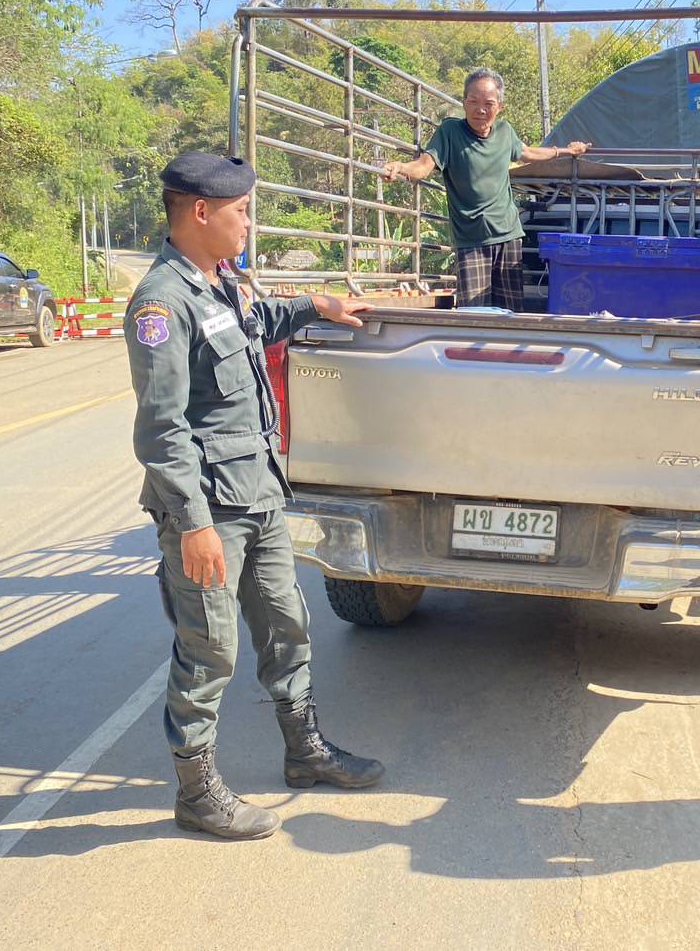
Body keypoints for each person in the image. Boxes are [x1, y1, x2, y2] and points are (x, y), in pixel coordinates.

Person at [124, 151, 385, 842]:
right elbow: (161, 429)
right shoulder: (162, 304)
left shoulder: (220, 282)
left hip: (260, 494)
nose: (248, 222)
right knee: (210, 649)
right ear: (200, 212)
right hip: (210, 510)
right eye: (241, 211)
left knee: (286, 626)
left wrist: (317, 305)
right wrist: (192, 524)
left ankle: (305, 752)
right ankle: (197, 794)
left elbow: (257, 320)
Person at [381, 67, 589, 308]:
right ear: (464, 103)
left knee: (510, 313)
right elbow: (424, 166)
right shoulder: (450, 132)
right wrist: (400, 168)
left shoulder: (505, 132)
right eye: (473, 102)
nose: (480, 110)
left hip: (508, 234)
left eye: (488, 104)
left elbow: (529, 153)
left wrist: (566, 151)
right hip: (472, 239)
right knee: (474, 313)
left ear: (499, 107)